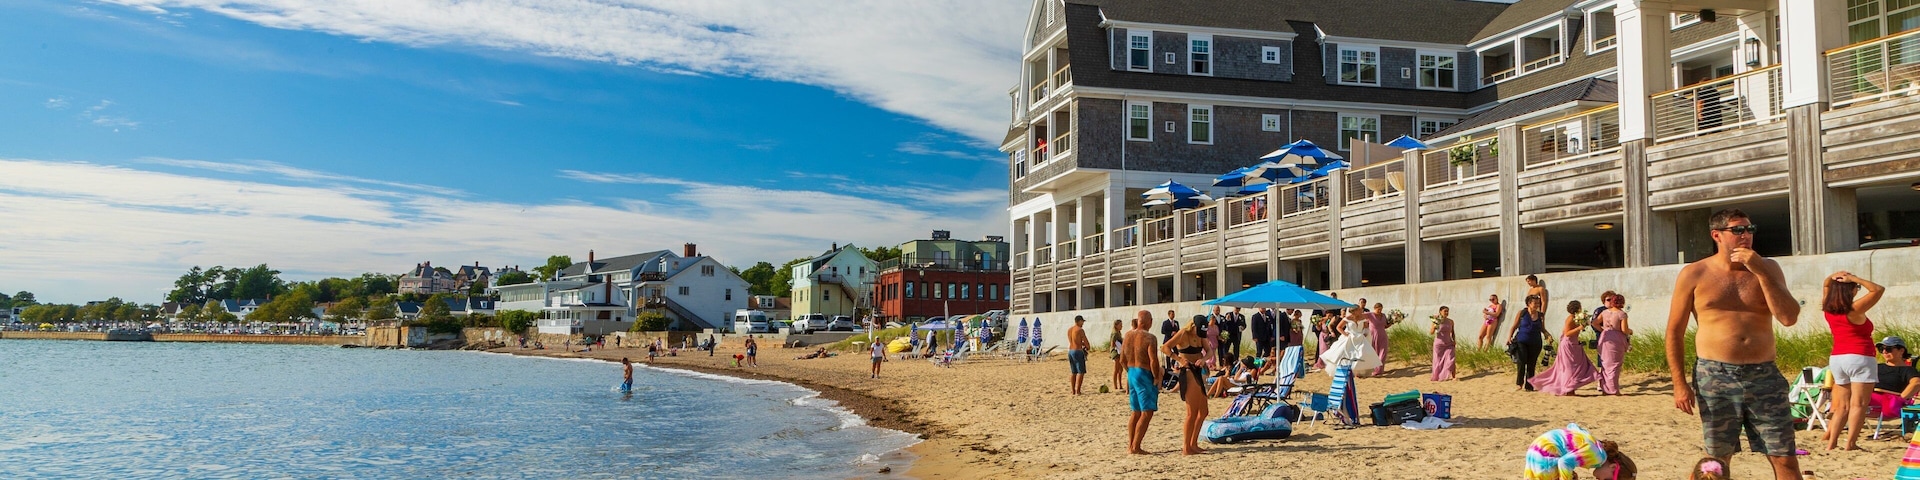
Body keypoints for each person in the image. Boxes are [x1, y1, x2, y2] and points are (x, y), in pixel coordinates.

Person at [1665, 208, 1802, 480]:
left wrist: (1761, 271)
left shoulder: (1769, 268)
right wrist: (1679, 384)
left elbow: (1788, 317)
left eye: (1750, 230)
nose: (1746, 236)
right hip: (1715, 375)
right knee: (1715, 461)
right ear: (1717, 235)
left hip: (1764, 375)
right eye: (1738, 230)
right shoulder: (1695, 273)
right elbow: (1674, 332)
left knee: (1784, 457)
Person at [1817, 271, 1883, 451]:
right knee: (1859, 404)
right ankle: (1851, 444)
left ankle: (1832, 443)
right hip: (1860, 356)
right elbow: (1877, 290)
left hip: (1837, 358)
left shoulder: (1828, 308)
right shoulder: (1854, 309)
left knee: (1841, 405)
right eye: (1856, 288)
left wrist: (1832, 277)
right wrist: (1854, 278)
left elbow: (1825, 286)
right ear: (1851, 290)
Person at [1161, 315, 1211, 455]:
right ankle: (1186, 447)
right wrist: (1178, 359)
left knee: (1203, 411)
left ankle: (1193, 443)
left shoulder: (1201, 335)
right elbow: (1165, 347)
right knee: (1192, 412)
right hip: (1187, 371)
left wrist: (1204, 359)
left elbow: (1210, 351)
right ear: (1193, 326)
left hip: (1198, 370)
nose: (1200, 335)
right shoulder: (1183, 333)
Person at [1530, 300, 1600, 396]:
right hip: (1568, 345)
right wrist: (1579, 328)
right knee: (1569, 367)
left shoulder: (1577, 318)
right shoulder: (1570, 319)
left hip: (1574, 344)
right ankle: (1569, 389)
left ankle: (1571, 388)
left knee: (1580, 365)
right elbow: (1567, 333)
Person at [1119, 310, 1163, 455]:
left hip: (1131, 372)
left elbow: (1122, 360)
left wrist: (1129, 371)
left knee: (1136, 411)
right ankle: (1136, 446)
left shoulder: (1128, 335)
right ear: (1149, 321)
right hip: (1144, 373)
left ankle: (1130, 445)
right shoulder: (1150, 337)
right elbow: (1153, 360)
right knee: (1147, 412)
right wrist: (1156, 376)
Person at [1596, 292, 1634, 395]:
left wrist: (1603, 329)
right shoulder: (1622, 314)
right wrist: (1630, 331)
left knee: (1605, 364)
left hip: (1605, 338)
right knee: (1614, 365)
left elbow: (1594, 323)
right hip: (1616, 339)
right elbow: (1624, 329)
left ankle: (1604, 388)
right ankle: (1613, 389)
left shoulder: (1604, 313)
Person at [1509, 295, 1550, 392]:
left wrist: (1547, 335)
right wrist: (1509, 337)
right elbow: (1514, 326)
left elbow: (1542, 328)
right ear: (1529, 304)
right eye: (1534, 303)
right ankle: (1519, 384)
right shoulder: (1522, 313)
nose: (1537, 305)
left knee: (1532, 364)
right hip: (1521, 341)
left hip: (1535, 343)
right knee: (1521, 362)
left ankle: (1529, 386)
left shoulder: (1540, 315)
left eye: (1538, 303)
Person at [1878, 337, 1920, 401]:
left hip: (1889, 403)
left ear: (1901, 351)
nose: (1884, 352)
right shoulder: (1876, 367)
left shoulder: (1908, 370)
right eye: (1881, 349)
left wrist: (1899, 400)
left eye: (1888, 349)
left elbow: (1916, 383)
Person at [1067, 315, 1091, 395]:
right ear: (1079, 321)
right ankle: (1078, 390)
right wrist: (1087, 347)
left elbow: (1074, 341)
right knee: (1081, 371)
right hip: (1077, 351)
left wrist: (1081, 343)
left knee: (1073, 372)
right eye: (1082, 321)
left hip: (1070, 351)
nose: (1083, 323)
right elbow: (1085, 341)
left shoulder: (1070, 330)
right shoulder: (1080, 330)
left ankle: (1073, 390)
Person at [1430, 306, 1456, 382]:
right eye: (1445, 311)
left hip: (1449, 343)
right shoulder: (1436, 321)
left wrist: (1454, 340)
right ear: (1440, 312)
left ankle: (1454, 376)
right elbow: (1431, 332)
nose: (1447, 313)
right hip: (1439, 344)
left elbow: (1453, 332)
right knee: (1438, 361)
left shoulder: (1451, 321)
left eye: (1447, 311)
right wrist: (1435, 326)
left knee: (1451, 359)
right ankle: (1438, 376)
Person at [1368, 302, 1391, 376]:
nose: (1380, 311)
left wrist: (1392, 323)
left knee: (1383, 352)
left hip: (1382, 335)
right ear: (1375, 308)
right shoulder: (1370, 315)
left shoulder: (1383, 315)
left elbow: (1385, 326)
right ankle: (1374, 369)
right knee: (1375, 353)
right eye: (1378, 309)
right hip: (1373, 335)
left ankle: (1379, 370)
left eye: (1381, 309)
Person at [1110, 319, 1126, 394]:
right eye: (1120, 325)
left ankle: (1120, 385)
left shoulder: (1118, 333)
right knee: (1116, 369)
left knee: (1120, 369)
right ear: (1116, 325)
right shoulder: (1115, 333)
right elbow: (1112, 344)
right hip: (1116, 352)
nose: (1121, 326)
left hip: (1119, 352)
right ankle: (1115, 385)